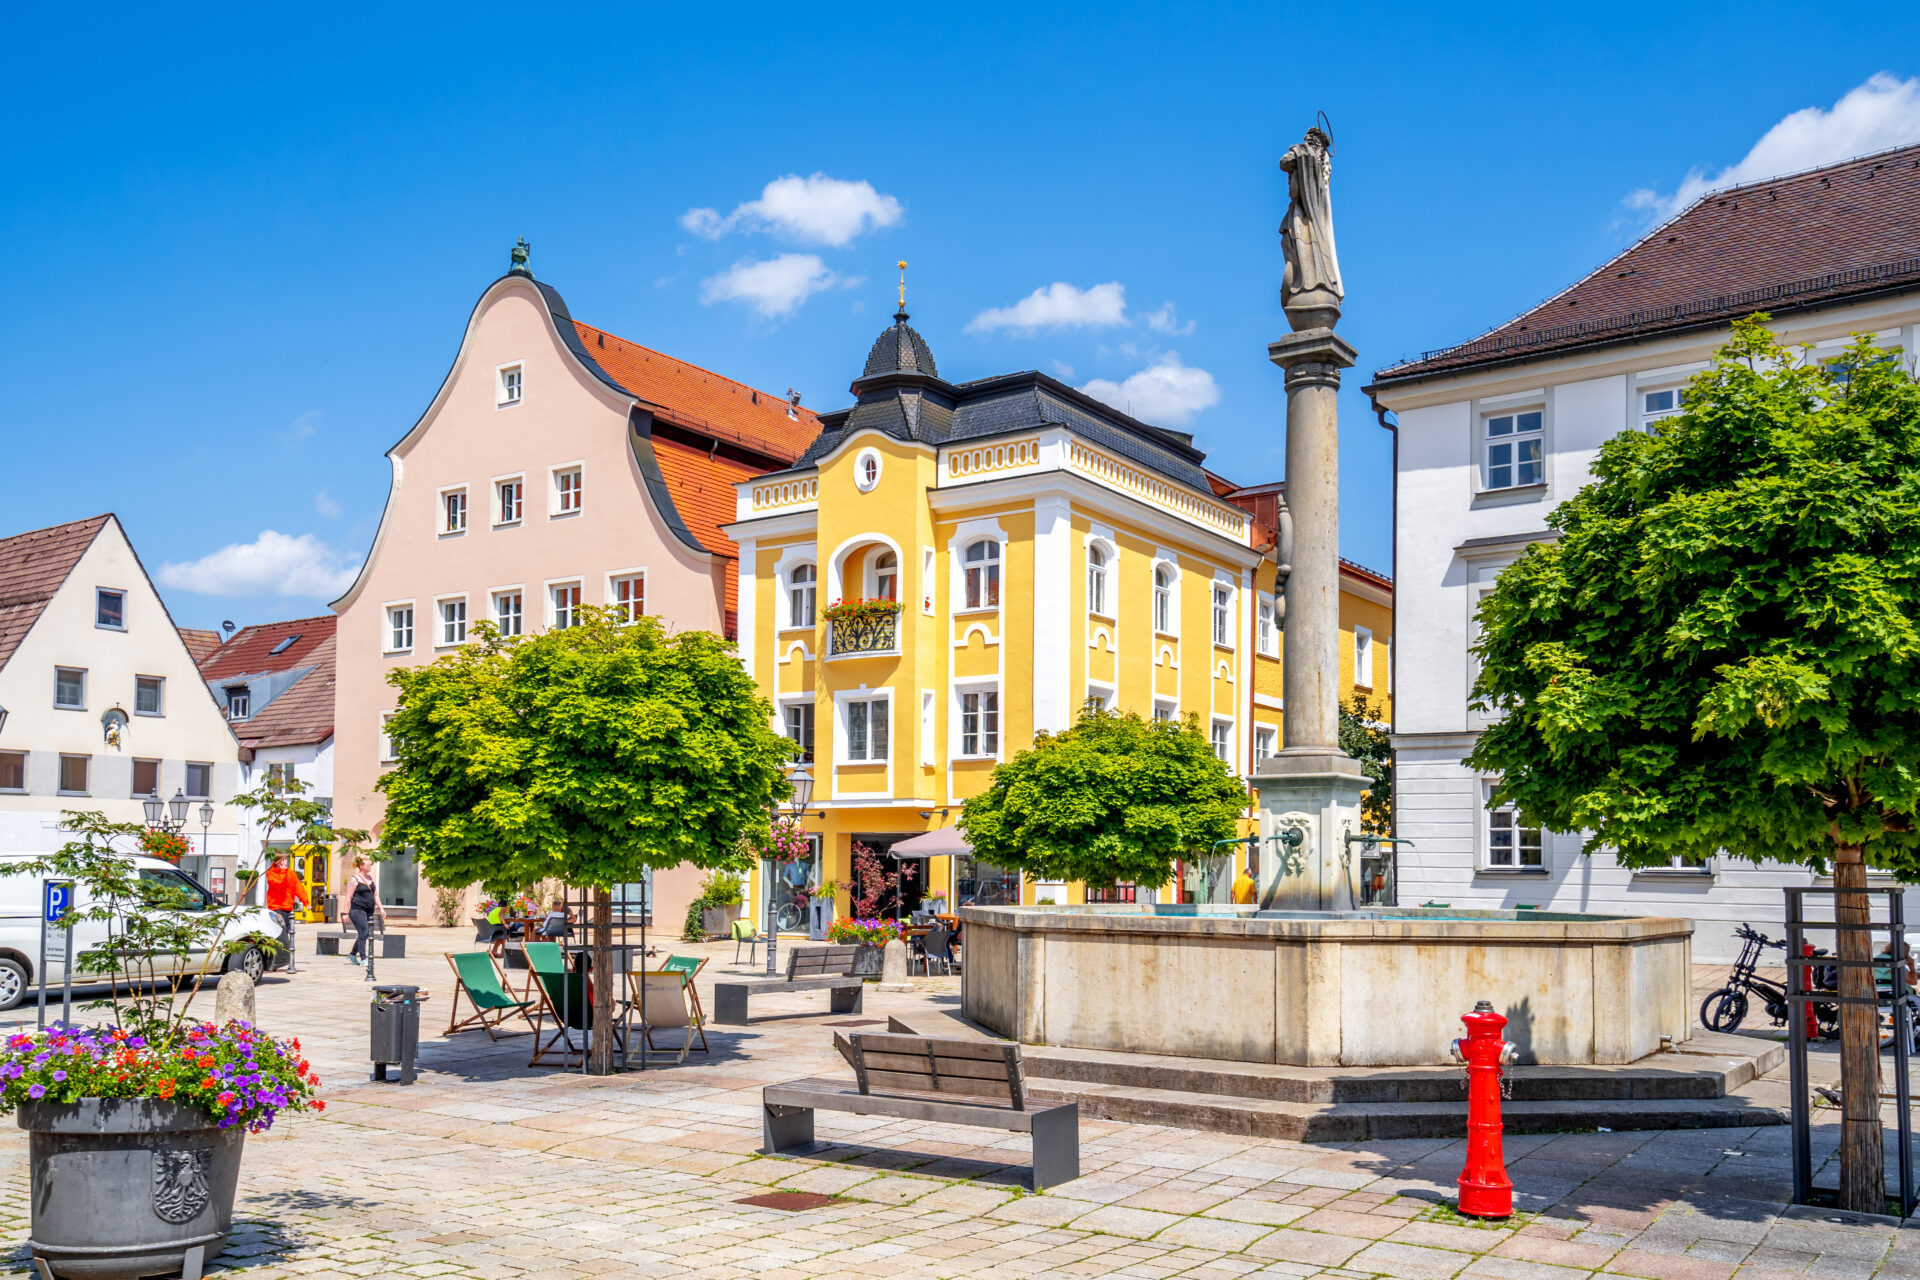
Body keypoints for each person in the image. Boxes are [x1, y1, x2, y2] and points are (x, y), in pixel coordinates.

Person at [263, 851, 309, 975]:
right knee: (278, 932)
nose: (285, 863)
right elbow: (277, 884)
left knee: (286, 932)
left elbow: (298, 887)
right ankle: (274, 958)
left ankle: (281, 958)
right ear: (276, 862)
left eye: (286, 861)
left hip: (287, 907)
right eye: (282, 861)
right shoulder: (270, 873)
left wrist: (306, 902)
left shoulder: (291, 874)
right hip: (275, 906)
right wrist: (283, 872)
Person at [346, 857, 385, 967]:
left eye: (370, 864)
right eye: (368, 865)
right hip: (357, 910)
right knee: (363, 932)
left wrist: (381, 908)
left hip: (369, 911)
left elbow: (375, 895)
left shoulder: (370, 878)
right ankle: (363, 958)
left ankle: (352, 954)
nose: (370, 866)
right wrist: (345, 913)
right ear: (361, 866)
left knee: (365, 933)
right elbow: (348, 897)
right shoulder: (355, 880)